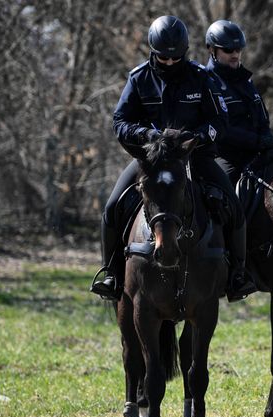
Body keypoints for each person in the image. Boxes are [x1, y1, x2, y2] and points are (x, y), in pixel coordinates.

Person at [90, 15, 254, 302]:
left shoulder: (202, 77)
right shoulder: (139, 78)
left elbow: (220, 119)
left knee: (234, 205)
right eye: (163, 58)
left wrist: (199, 137)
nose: (168, 63)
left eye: (175, 58)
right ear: (153, 52)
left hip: (196, 158)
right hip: (151, 161)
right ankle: (112, 274)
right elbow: (120, 122)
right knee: (112, 206)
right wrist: (147, 136)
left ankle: (238, 274)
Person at [203, 20, 273, 186]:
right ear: (211, 49)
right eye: (228, 49)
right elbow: (221, 129)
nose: (235, 54)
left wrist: (267, 140)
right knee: (223, 187)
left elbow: (262, 116)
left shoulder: (246, 80)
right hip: (225, 157)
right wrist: (256, 141)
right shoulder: (206, 82)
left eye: (238, 50)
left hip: (257, 151)